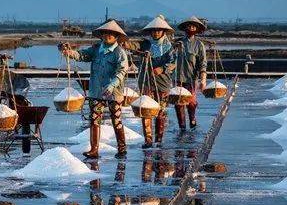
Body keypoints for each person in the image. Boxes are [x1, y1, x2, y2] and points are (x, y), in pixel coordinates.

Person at [59, 19, 130, 159]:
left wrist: (112, 85)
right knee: (94, 119)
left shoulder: (119, 53)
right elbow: (82, 55)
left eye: (111, 34)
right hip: (96, 91)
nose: (107, 36)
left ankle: (122, 148)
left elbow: (122, 71)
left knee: (116, 120)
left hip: (113, 92)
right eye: (105, 33)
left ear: (116, 36)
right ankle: (94, 149)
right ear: (102, 35)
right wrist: (69, 52)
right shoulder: (97, 49)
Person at [129, 15, 177, 148]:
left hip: (162, 83)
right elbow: (133, 46)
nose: (156, 32)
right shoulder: (145, 44)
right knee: (146, 111)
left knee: (160, 112)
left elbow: (173, 62)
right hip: (146, 82)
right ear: (150, 32)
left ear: (163, 32)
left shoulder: (169, 47)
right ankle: (148, 140)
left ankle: (159, 140)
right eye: (154, 30)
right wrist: (124, 43)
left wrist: (162, 68)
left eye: (159, 30)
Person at [174, 16, 209, 130]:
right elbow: (169, 58)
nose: (191, 28)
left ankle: (192, 122)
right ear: (185, 28)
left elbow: (202, 64)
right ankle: (182, 127)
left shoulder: (199, 45)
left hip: (191, 79)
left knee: (192, 103)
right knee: (179, 104)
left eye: (193, 26)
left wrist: (203, 80)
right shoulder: (178, 43)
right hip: (178, 78)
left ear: (197, 29)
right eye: (189, 26)